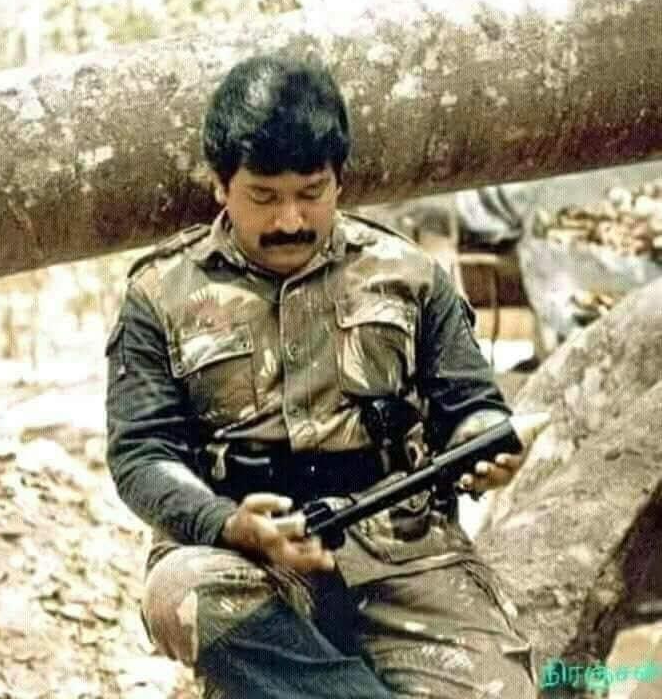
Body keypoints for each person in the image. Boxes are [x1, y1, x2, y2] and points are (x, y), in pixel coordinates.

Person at [105, 54, 538, 699]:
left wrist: (484, 440)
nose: (290, 221)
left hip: (401, 557)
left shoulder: (409, 275)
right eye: (264, 197)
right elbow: (142, 454)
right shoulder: (159, 294)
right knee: (183, 596)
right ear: (221, 185)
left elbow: (471, 403)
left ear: (339, 180)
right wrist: (228, 524)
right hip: (244, 563)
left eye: (312, 194)